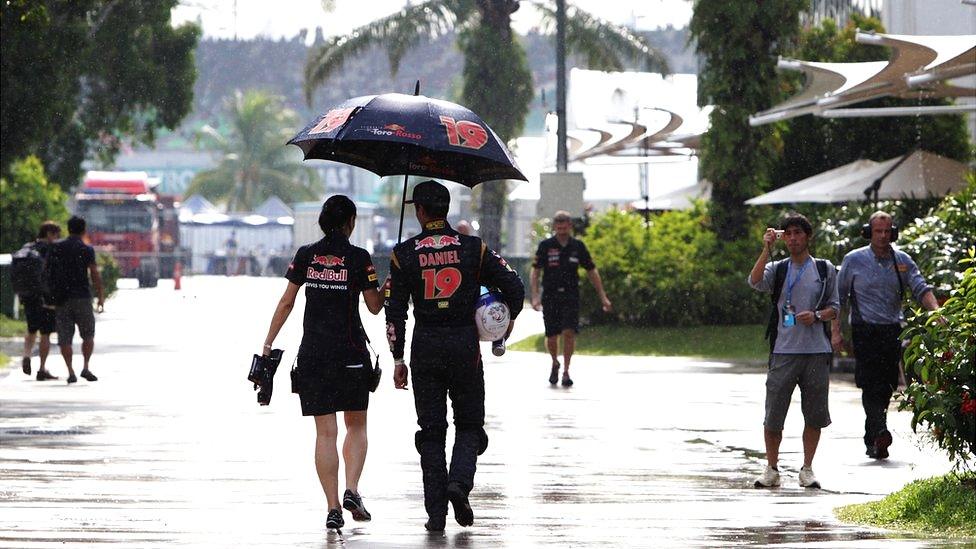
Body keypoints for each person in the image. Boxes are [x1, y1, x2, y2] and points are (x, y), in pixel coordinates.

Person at [385, 180, 524, 531]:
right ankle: (459, 484)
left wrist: (398, 359)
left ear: (419, 211)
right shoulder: (473, 248)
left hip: (425, 348)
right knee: (469, 424)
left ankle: (435, 513)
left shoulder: (403, 254)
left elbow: (395, 314)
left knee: (430, 431)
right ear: (445, 210)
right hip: (464, 346)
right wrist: (503, 326)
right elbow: (515, 288)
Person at [261, 195, 384, 531]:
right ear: (350, 223)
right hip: (351, 356)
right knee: (356, 425)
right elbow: (375, 307)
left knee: (325, 433)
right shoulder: (359, 258)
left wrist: (268, 343)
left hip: (313, 355)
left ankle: (332, 507)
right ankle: (352, 490)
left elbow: (287, 302)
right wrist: (384, 287)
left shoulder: (306, 255)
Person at [831, 211, 939, 460]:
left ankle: (876, 437)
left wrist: (937, 312)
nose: (882, 236)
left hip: (892, 329)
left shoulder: (902, 260)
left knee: (888, 383)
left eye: (887, 231)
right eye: (878, 231)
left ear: (893, 232)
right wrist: (836, 332)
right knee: (870, 383)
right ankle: (879, 430)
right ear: (869, 232)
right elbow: (838, 298)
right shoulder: (854, 260)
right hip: (864, 329)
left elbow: (921, 288)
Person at [748, 213, 838, 489]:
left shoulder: (824, 269)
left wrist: (818, 316)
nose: (794, 238)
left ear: (808, 236)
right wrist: (766, 248)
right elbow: (754, 281)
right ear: (783, 238)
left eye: (799, 233)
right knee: (774, 412)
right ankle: (772, 468)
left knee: (814, 413)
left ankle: (807, 468)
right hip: (783, 351)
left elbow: (835, 307)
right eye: (788, 234)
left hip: (815, 351)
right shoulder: (778, 268)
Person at [530, 211, 611, 386]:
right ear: (554, 227)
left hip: (570, 295)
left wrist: (603, 297)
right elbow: (535, 271)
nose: (561, 229)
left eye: (564, 226)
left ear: (570, 226)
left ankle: (566, 371)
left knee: (569, 332)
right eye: (558, 226)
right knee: (552, 336)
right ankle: (554, 362)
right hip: (550, 296)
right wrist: (535, 296)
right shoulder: (545, 246)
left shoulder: (578, 246)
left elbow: (591, 270)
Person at [46, 216, 105, 384]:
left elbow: (46, 270)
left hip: (61, 298)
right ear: (83, 230)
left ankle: (70, 371)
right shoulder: (86, 249)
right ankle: (85, 367)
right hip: (82, 297)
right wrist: (100, 296)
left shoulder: (56, 248)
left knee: (64, 337)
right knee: (88, 334)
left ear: (68, 228)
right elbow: (94, 273)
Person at [16, 221, 62, 381]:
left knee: (31, 329)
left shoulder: (27, 248)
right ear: (49, 233)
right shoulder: (50, 249)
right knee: (45, 333)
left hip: (28, 295)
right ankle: (42, 368)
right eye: (56, 234)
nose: (57, 238)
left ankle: (26, 355)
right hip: (45, 297)